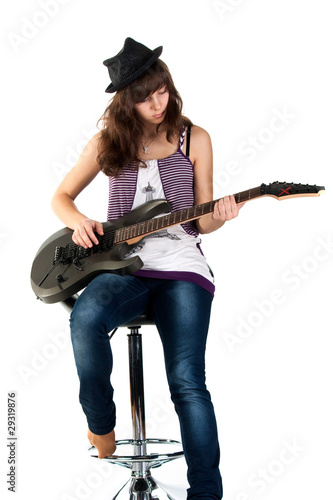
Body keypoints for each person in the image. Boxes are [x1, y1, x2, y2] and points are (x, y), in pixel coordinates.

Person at [51, 37, 243, 500]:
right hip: (123, 267)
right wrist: (80, 223)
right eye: (144, 97)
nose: (158, 103)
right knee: (86, 317)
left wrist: (219, 215)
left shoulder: (195, 138)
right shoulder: (107, 143)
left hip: (182, 267)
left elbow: (201, 222)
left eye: (162, 91)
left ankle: (206, 494)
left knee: (187, 382)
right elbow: (61, 198)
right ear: (126, 100)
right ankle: (100, 421)